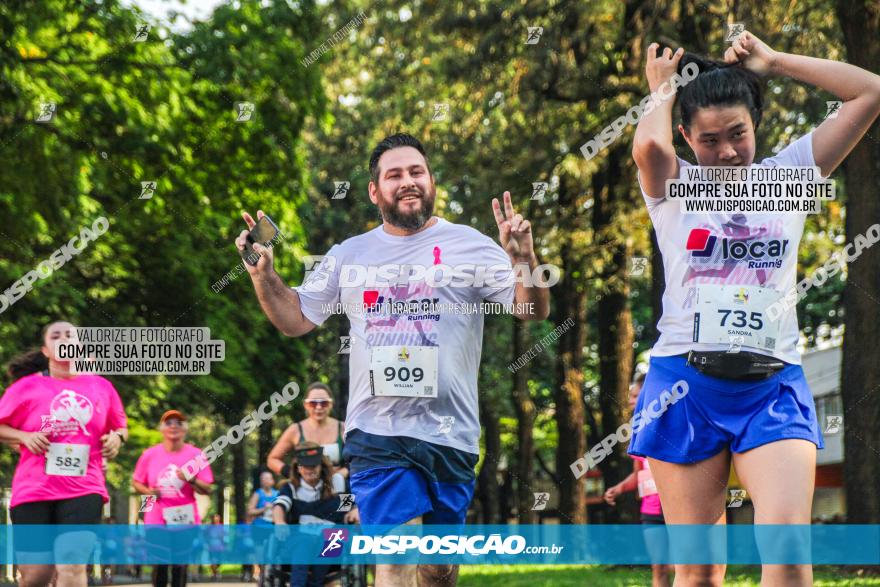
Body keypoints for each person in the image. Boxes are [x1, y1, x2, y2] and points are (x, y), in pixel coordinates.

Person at [237, 132, 549, 586]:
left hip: (451, 432)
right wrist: (264, 276)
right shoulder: (350, 254)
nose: (408, 182)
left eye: (416, 172)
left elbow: (532, 310)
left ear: (431, 181)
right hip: (378, 432)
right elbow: (295, 318)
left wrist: (525, 259)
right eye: (395, 174)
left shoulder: (471, 245)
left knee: (439, 569)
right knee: (397, 554)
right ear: (374, 190)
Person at [630, 31, 880, 587]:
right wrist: (658, 91)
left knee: (789, 556)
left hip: (772, 387)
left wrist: (776, 62)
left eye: (738, 134)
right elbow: (648, 149)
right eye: (709, 140)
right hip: (684, 386)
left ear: (756, 125)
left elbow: (869, 93)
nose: (726, 152)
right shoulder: (675, 188)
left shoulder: (787, 178)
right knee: (698, 572)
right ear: (686, 139)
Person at [0, 321, 128, 587]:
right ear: (46, 350)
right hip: (33, 489)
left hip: (84, 487)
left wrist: (117, 438)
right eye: (55, 336)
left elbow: (120, 426)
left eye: (70, 334)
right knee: (36, 576)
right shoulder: (26, 388)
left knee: (71, 562)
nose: (63, 338)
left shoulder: (100, 387)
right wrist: (24, 436)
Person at [604, 372, 672, 587]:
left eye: (635, 396)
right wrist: (619, 488)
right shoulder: (639, 431)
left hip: (680, 506)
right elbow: (639, 473)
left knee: (684, 567)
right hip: (651, 511)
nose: (630, 401)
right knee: (659, 568)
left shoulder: (676, 426)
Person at [132, 410, 213, 587]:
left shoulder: (196, 455)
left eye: (179, 422)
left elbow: (208, 488)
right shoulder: (150, 454)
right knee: (160, 564)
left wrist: (191, 478)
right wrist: (148, 492)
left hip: (184, 517)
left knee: (179, 566)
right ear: (161, 428)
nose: (174, 426)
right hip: (156, 517)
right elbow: (136, 481)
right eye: (169, 422)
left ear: (185, 429)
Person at [272, 443, 357, 587]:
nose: (310, 470)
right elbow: (279, 506)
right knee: (304, 546)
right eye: (305, 466)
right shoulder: (291, 488)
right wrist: (280, 522)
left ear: (321, 466)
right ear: (298, 468)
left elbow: (349, 506)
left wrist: (354, 510)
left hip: (331, 536)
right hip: (301, 537)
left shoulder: (337, 483)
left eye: (314, 466)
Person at [267, 383, 347, 478]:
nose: (318, 407)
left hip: (337, 488)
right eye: (313, 403)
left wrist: (344, 472)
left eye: (324, 403)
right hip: (305, 489)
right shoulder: (295, 430)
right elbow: (272, 459)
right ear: (306, 405)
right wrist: (294, 475)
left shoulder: (343, 428)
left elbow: (360, 457)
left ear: (331, 404)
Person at [246, 471, 278, 582]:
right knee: (260, 554)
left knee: (272, 554)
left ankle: (270, 574)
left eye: (268, 478)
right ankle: (261, 574)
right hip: (259, 528)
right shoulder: (257, 494)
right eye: (263, 478)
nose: (265, 480)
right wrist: (263, 509)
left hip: (273, 528)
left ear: (273, 481)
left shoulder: (277, 494)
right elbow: (250, 511)